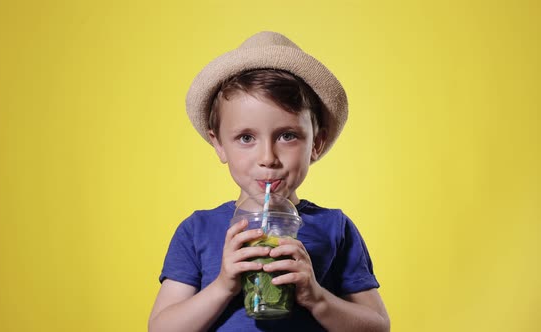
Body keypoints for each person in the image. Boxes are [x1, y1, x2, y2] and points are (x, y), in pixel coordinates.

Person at [148, 31, 390, 332]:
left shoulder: (336, 229)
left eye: (287, 136)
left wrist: (317, 298)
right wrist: (223, 285)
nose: (268, 157)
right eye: (246, 137)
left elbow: (378, 326)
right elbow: (162, 328)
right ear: (219, 144)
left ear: (316, 143)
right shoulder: (196, 231)